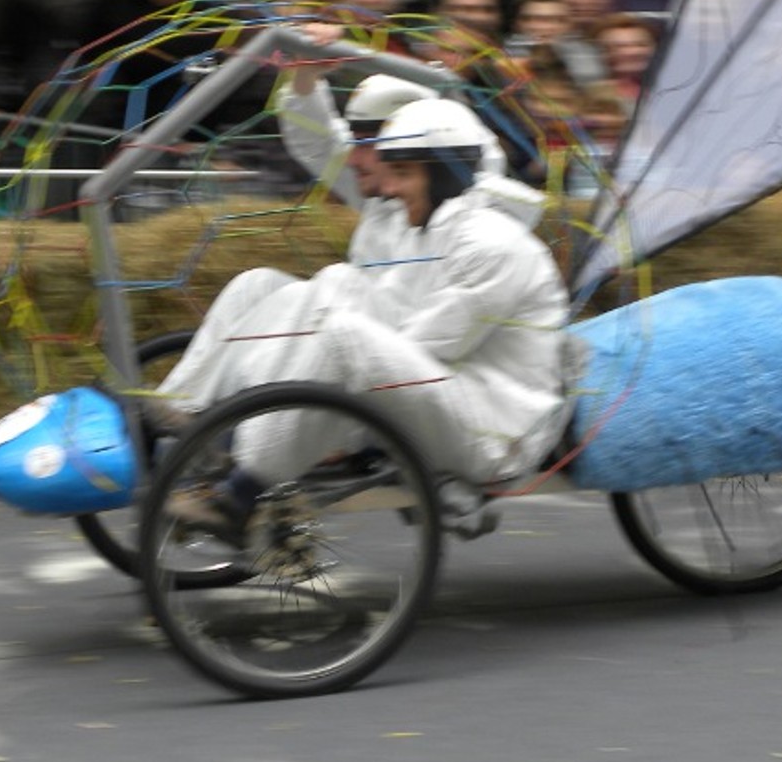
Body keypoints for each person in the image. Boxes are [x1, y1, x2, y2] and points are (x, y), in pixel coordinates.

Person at [153, 96, 569, 547]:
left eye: (404, 175)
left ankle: (241, 493)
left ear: (446, 175)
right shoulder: (433, 227)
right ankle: (203, 421)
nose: (390, 188)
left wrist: (323, 404)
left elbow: (422, 347)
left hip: (496, 434)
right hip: (453, 392)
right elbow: (394, 324)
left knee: (345, 336)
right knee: (330, 287)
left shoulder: (493, 245)